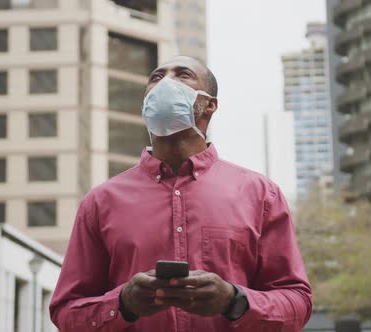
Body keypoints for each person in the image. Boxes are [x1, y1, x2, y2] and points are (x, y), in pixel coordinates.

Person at [49, 55, 312, 331]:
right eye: (156, 77)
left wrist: (234, 300)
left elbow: (297, 302)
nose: (164, 83)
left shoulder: (261, 195)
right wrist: (123, 303)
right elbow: (67, 313)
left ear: (208, 105)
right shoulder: (100, 202)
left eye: (182, 74)